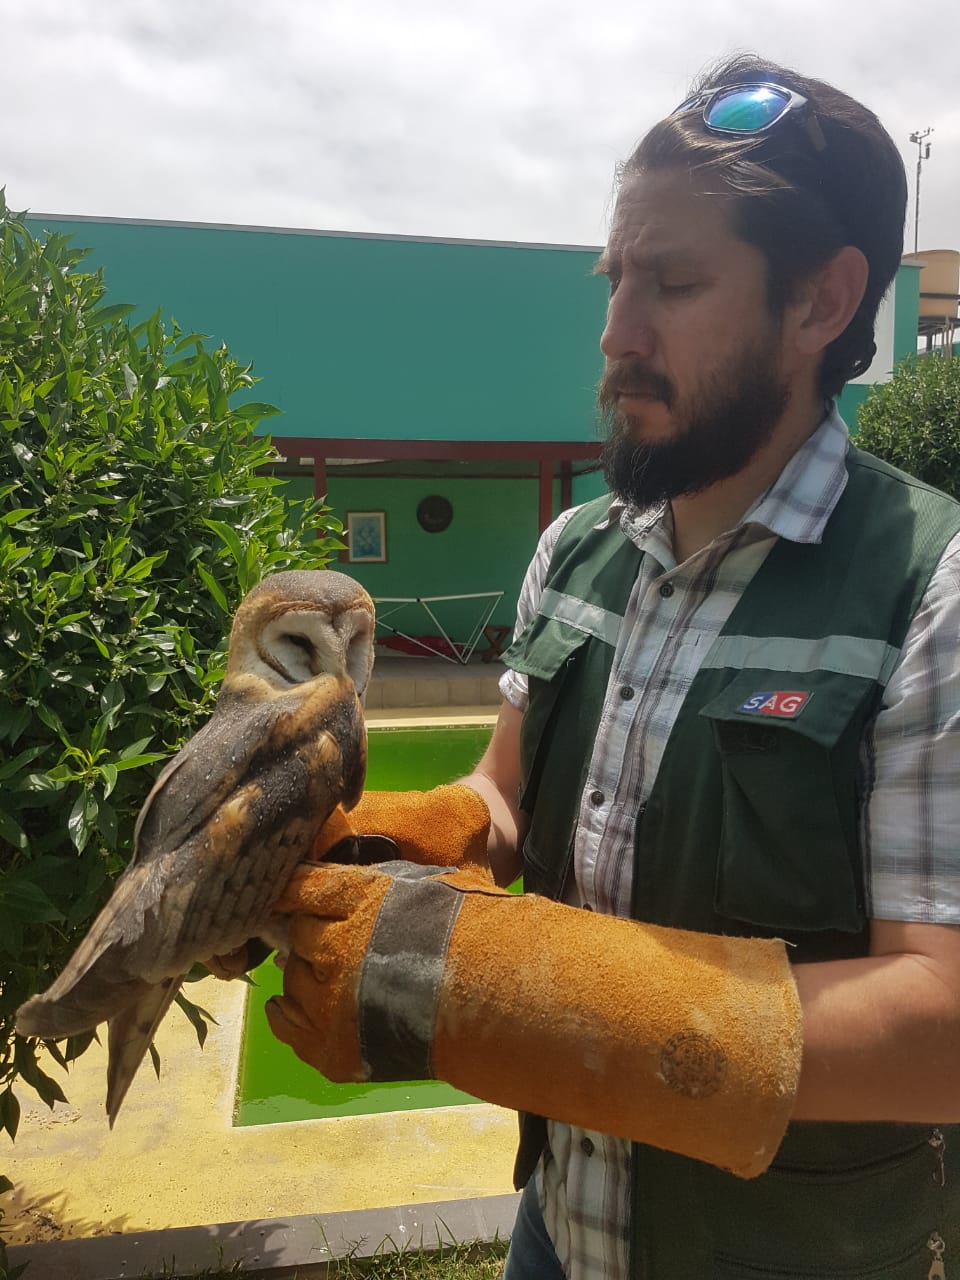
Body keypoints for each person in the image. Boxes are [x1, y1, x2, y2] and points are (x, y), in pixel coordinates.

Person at [264, 54, 960, 1279]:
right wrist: (407, 834)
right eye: (615, 276)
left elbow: (939, 1020)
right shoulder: (572, 553)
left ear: (822, 303)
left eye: (673, 283)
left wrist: (480, 985)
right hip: (560, 1231)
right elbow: (506, 795)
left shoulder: (927, 586)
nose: (616, 331)